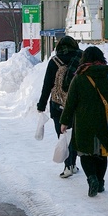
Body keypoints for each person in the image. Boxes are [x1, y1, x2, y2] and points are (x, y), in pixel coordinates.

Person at [59, 46, 108, 197]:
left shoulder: (79, 77)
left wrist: (64, 121)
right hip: (105, 120)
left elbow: (71, 102)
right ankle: (101, 181)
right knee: (101, 152)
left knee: (85, 153)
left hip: (84, 122)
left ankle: (91, 178)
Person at [37, 36, 82, 178]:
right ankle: (73, 164)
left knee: (62, 135)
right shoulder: (81, 59)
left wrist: (41, 105)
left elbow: (47, 85)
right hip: (76, 104)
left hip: (58, 105)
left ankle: (67, 165)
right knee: (74, 135)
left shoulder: (54, 61)